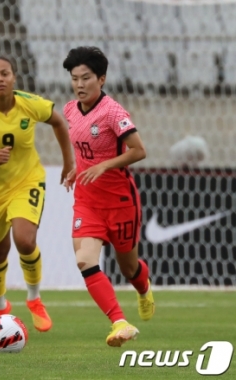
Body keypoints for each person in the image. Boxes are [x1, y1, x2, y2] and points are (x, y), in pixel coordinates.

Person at [0, 56, 74, 332]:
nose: (0, 79)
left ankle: (35, 299)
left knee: (24, 239)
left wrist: (68, 162)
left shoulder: (29, 103)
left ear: (14, 78)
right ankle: (0, 306)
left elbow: (59, 122)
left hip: (27, 182)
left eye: (5, 73)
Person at [61, 46, 155, 347]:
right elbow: (83, 148)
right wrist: (78, 169)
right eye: (74, 78)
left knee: (129, 268)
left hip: (120, 202)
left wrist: (104, 165)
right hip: (87, 201)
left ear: (101, 79)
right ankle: (119, 322)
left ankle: (143, 287)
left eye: (85, 78)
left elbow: (139, 151)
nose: (79, 84)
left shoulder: (114, 112)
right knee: (84, 260)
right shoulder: (69, 110)